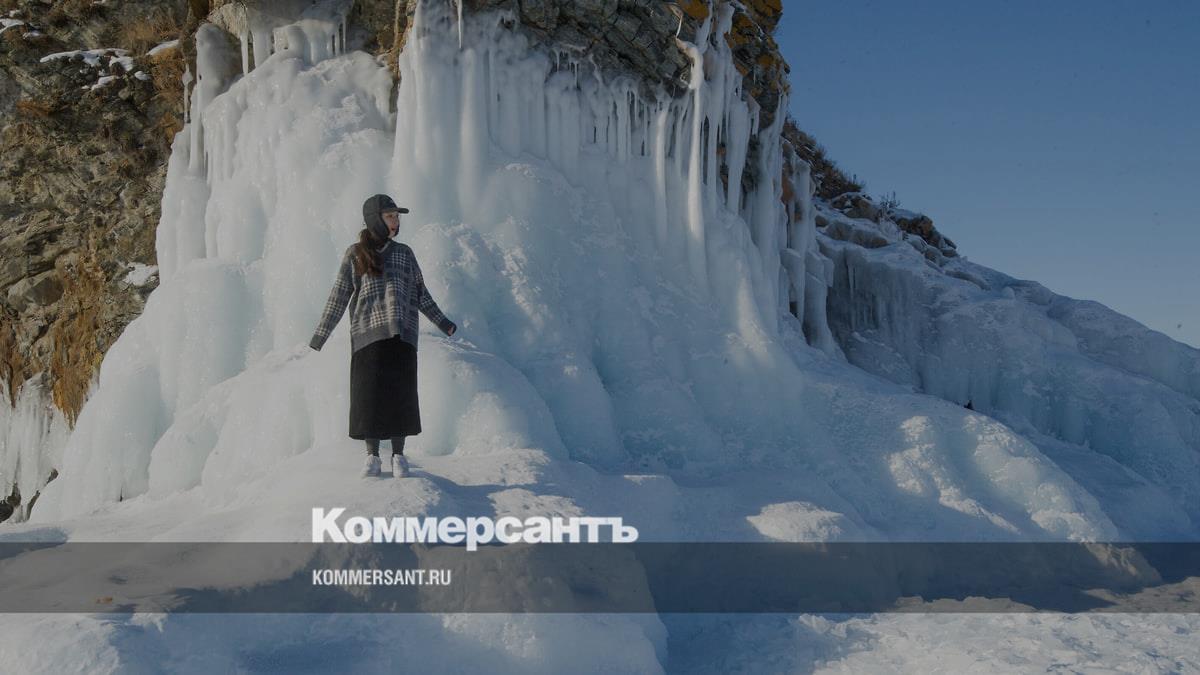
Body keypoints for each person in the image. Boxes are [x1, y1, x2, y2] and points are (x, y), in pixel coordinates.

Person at [309, 194, 457, 478]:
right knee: (369, 398)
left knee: (401, 396)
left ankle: (399, 456)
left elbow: (421, 294)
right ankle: (372, 456)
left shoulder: (405, 253)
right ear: (374, 219)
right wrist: (320, 335)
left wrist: (443, 323)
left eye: (397, 217)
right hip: (368, 336)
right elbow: (339, 296)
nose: (395, 221)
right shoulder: (355, 254)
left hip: (403, 335)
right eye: (390, 216)